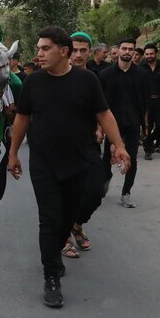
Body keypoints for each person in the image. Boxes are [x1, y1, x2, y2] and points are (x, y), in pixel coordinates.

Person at [8, 26, 130, 308]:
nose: (39, 54)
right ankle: (51, 274)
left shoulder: (87, 81)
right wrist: (13, 153)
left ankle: (57, 246)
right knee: (49, 218)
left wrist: (119, 145)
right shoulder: (32, 83)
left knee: (69, 215)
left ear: (63, 51)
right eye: (38, 49)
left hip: (78, 161)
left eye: (44, 48)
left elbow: (104, 113)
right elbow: (23, 119)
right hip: (43, 162)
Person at [61, 32, 106, 258]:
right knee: (65, 193)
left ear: (90, 52)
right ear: (67, 50)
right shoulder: (55, 75)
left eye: (83, 50)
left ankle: (77, 224)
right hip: (61, 146)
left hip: (88, 144)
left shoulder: (96, 78)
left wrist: (101, 129)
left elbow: (104, 111)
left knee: (97, 190)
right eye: (74, 50)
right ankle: (64, 237)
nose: (78, 55)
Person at [98, 39, 151, 208]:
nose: (127, 52)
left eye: (131, 49)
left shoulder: (142, 75)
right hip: (111, 124)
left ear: (134, 52)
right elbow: (100, 104)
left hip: (133, 123)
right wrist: (100, 127)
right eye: (124, 48)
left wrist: (146, 125)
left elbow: (145, 103)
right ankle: (105, 180)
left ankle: (126, 192)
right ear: (118, 50)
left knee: (132, 158)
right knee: (107, 158)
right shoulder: (105, 75)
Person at [141, 43, 160, 160]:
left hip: (159, 100)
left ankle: (148, 141)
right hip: (146, 101)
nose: (149, 56)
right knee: (147, 126)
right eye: (147, 54)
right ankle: (148, 150)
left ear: (155, 54)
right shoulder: (140, 67)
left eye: (151, 53)